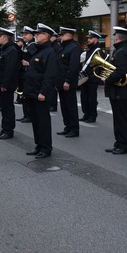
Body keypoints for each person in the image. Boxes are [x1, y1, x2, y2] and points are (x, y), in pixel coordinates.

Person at [24, 23, 58, 159]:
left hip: (40, 93)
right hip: (32, 91)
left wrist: (43, 92)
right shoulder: (38, 50)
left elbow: (49, 75)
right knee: (36, 122)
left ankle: (46, 148)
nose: (36, 36)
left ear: (46, 36)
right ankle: (38, 145)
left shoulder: (49, 52)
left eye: (38, 34)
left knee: (43, 122)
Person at [104, 26, 127, 155]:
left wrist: (108, 79)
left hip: (121, 91)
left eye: (115, 37)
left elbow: (120, 71)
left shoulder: (122, 52)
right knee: (118, 119)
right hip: (120, 91)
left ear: (117, 38)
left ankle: (123, 145)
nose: (114, 39)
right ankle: (118, 143)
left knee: (121, 120)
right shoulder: (124, 50)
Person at [0, 27, 20, 140]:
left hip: (7, 85)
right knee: (4, 107)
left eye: (0, 36)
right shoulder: (5, 49)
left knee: (8, 107)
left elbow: (9, 69)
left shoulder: (11, 50)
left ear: (5, 38)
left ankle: (8, 130)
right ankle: (4, 128)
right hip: (2, 83)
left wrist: (4, 84)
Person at [56, 26, 81, 138]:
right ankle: (68, 127)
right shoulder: (64, 47)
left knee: (70, 106)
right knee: (64, 106)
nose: (60, 37)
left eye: (62, 35)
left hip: (68, 82)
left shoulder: (74, 48)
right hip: (61, 81)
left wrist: (68, 81)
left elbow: (73, 67)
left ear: (68, 35)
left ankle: (74, 128)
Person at [80, 30, 105, 123]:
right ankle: (86, 114)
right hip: (85, 78)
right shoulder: (89, 49)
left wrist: (97, 77)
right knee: (84, 97)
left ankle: (92, 116)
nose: (88, 40)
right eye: (88, 38)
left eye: (90, 38)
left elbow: (101, 66)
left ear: (96, 39)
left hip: (93, 78)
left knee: (92, 98)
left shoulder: (99, 51)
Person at [18, 26, 36, 123]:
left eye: (25, 34)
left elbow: (34, 59)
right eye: (23, 34)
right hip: (23, 73)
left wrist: (28, 63)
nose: (23, 36)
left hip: (28, 72)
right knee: (24, 96)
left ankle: (29, 115)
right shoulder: (26, 45)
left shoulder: (33, 45)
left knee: (27, 96)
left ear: (31, 35)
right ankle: (26, 114)